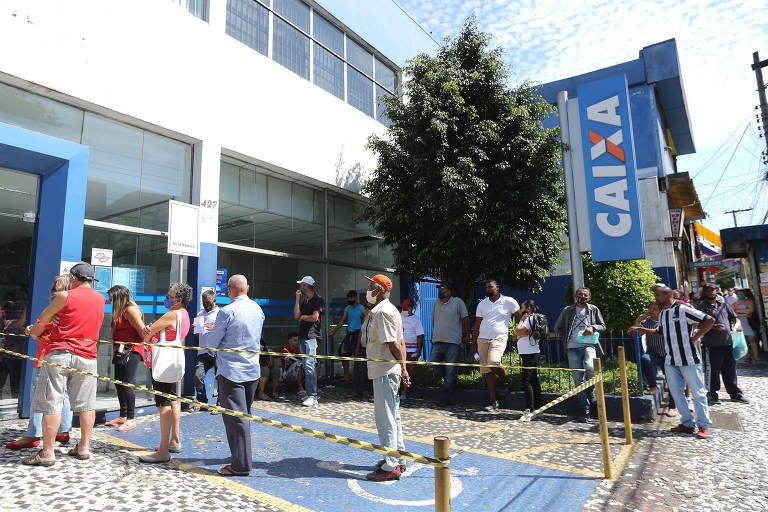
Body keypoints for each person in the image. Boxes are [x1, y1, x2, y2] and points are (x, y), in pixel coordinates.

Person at [22, 262, 105, 466]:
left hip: (60, 354)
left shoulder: (64, 296)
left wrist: (34, 330)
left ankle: (48, 453)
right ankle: (84, 447)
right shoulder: (101, 299)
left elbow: (40, 325)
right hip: (88, 356)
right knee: (86, 404)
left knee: (52, 402)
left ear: (73, 278)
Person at [629, 283, 715, 439]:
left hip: (689, 359)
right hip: (670, 360)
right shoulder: (663, 314)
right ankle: (688, 424)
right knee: (676, 393)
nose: (656, 298)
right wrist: (640, 329)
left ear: (668, 295)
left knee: (698, 393)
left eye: (658, 295)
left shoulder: (683, 309)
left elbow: (709, 319)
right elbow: (659, 332)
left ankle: (703, 425)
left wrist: (696, 337)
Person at [205, 274, 264, 476]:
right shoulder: (258, 309)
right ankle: (241, 457)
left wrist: (215, 339)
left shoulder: (227, 311)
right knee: (243, 416)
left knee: (234, 419)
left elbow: (212, 343)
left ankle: (240, 464)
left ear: (230, 289)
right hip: (252, 370)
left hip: (231, 372)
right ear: (246, 288)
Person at [5, 275, 73, 449]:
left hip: (45, 357)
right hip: (67, 357)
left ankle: (33, 434)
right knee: (63, 395)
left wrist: (31, 330)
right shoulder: (72, 312)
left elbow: (37, 332)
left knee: (38, 397)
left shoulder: (54, 309)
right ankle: (63, 431)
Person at [362, 274, 409, 482]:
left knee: (385, 418)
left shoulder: (382, 312)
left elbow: (394, 344)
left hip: (385, 372)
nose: (368, 289)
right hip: (387, 371)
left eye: (371, 285)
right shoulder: (388, 310)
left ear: (379, 290)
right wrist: (403, 368)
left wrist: (403, 368)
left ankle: (391, 466)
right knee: (393, 415)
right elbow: (399, 342)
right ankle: (398, 457)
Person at [138, 282, 192, 463]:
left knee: (163, 405)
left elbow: (146, 333)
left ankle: (162, 450)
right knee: (173, 399)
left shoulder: (171, 314)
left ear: (178, 300)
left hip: (162, 363)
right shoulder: (185, 315)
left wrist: (150, 328)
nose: (166, 298)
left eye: (169, 296)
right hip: (173, 363)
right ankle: (174, 440)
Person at [553, 286, 606, 423]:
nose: (582, 297)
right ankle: (584, 408)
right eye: (580, 294)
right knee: (577, 379)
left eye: (585, 295)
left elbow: (603, 326)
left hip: (589, 345)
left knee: (590, 367)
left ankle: (590, 391)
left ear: (589, 298)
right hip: (572, 347)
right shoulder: (567, 310)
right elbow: (557, 328)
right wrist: (566, 337)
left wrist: (593, 327)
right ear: (575, 296)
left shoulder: (593, 309)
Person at [695, 283, 748, 404]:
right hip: (712, 345)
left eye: (713, 289)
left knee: (730, 370)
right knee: (713, 370)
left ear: (717, 290)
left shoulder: (724, 305)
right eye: (707, 290)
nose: (710, 292)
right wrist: (713, 327)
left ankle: (735, 394)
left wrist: (737, 326)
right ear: (704, 292)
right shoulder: (701, 307)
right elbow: (697, 325)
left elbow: (735, 318)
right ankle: (712, 394)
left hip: (728, 343)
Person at [471, 280, 519, 411]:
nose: (488, 289)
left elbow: (520, 316)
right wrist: (473, 344)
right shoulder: (482, 304)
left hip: (499, 338)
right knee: (488, 371)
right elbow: (477, 324)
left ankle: (507, 381)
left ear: (497, 287)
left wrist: (521, 333)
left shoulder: (509, 301)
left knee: (493, 362)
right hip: (482, 339)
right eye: (486, 287)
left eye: (490, 287)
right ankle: (493, 401)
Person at [105, 285, 147, 432]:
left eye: (112, 299)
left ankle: (131, 418)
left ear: (119, 298)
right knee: (119, 383)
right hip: (120, 351)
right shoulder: (121, 311)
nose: (110, 302)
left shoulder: (130, 310)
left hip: (132, 350)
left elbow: (143, 332)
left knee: (127, 383)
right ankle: (122, 415)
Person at [431, 281, 469, 406]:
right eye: (439, 290)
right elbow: (434, 320)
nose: (440, 292)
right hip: (438, 340)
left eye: (443, 290)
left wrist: (466, 335)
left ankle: (445, 397)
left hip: (453, 342)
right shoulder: (436, 303)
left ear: (449, 291)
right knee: (434, 364)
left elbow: (465, 319)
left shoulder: (458, 302)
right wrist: (434, 335)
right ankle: (451, 380)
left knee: (450, 369)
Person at [294, 276, 324, 407]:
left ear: (306, 286)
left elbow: (315, 317)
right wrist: (297, 299)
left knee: (310, 365)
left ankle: (313, 396)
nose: (301, 287)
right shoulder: (305, 300)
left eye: (302, 284)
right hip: (303, 335)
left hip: (311, 337)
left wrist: (303, 317)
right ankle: (310, 394)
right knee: (307, 365)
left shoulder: (318, 299)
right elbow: (296, 316)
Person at [192, 289, 220, 412]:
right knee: (198, 376)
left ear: (214, 300)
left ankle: (220, 404)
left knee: (220, 379)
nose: (206, 305)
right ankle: (202, 402)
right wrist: (196, 330)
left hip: (217, 352)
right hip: (203, 351)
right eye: (204, 302)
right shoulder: (200, 314)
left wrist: (213, 328)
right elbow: (197, 335)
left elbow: (224, 333)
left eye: (208, 302)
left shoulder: (220, 314)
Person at [329, 290, 364, 383]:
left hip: (358, 334)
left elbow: (365, 323)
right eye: (349, 298)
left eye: (351, 298)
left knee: (357, 356)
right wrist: (333, 332)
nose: (350, 300)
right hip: (349, 334)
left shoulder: (362, 308)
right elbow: (341, 321)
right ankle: (346, 376)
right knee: (343, 353)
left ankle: (354, 377)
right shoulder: (347, 308)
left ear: (355, 298)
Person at [515, 299, 542, 413]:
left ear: (528, 309)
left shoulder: (529, 318)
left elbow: (518, 330)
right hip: (532, 351)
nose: (520, 310)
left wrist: (521, 319)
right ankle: (537, 406)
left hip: (529, 353)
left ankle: (530, 408)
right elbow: (523, 333)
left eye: (522, 308)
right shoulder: (536, 318)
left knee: (526, 381)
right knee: (533, 379)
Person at [400, 298, 424, 399]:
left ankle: (405, 392)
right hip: (399, 349)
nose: (404, 310)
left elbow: (420, 336)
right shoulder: (399, 317)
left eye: (405, 308)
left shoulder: (416, 320)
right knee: (398, 370)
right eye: (403, 308)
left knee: (408, 371)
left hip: (411, 351)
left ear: (411, 308)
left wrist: (418, 351)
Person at [353, 303, 373, 400]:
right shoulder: (365, 318)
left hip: (372, 349)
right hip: (363, 348)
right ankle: (358, 392)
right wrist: (357, 346)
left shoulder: (375, 319)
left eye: (369, 307)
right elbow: (361, 333)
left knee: (373, 371)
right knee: (361, 370)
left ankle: (374, 394)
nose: (366, 309)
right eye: (366, 307)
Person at [734, 289, 760, 362]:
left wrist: (739, 313)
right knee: (744, 340)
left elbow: (751, 311)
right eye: (738, 294)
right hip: (740, 323)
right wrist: (744, 313)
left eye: (741, 294)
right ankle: (747, 356)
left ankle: (756, 357)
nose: (740, 296)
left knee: (752, 339)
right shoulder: (735, 303)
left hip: (749, 323)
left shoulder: (749, 301)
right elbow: (734, 312)